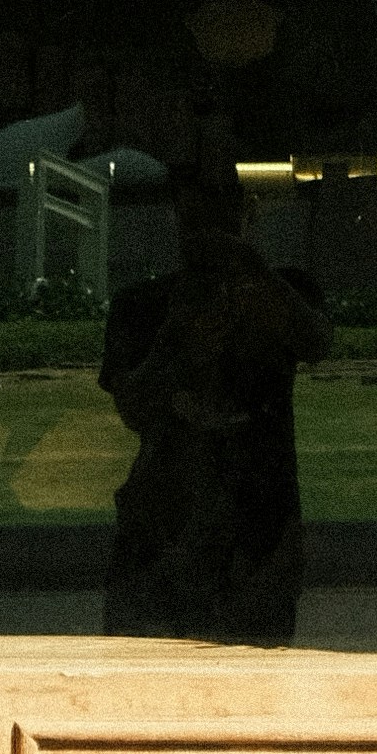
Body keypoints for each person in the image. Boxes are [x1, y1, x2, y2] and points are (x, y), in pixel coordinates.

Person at [97, 151, 325, 646]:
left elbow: (316, 340)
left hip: (254, 531)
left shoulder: (278, 292)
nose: (207, 232)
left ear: (244, 215)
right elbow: (133, 406)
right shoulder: (142, 307)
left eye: (217, 214)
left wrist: (252, 272)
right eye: (194, 218)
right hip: (167, 524)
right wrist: (179, 343)